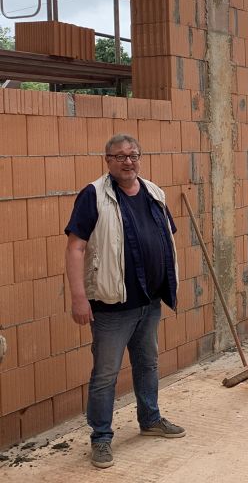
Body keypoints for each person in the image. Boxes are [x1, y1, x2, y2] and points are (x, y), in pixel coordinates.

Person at [65, 134, 185, 469]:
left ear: (140, 158)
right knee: (105, 374)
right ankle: (101, 438)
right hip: (111, 306)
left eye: (133, 155)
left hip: (149, 302)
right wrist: (78, 297)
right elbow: (75, 247)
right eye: (119, 156)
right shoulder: (94, 196)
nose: (127, 161)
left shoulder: (153, 192)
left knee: (148, 363)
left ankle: (150, 419)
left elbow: (166, 238)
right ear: (108, 161)